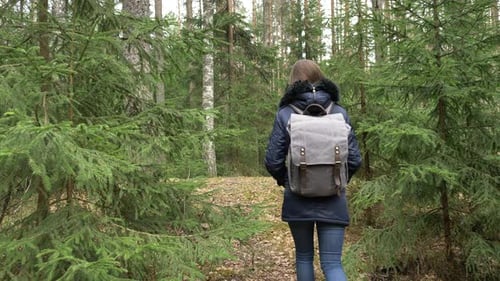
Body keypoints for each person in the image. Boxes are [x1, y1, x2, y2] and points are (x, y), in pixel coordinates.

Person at [264, 59, 362, 281]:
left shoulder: (285, 113)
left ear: (293, 82)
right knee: (332, 263)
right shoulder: (339, 112)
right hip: (334, 196)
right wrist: (337, 179)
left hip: (298, 195)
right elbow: (355, 159)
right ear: (321, 77)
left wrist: (289, 180)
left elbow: (272, 160)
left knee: (304, 257)